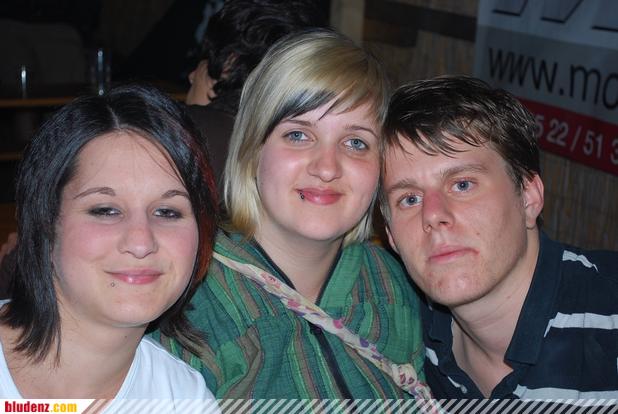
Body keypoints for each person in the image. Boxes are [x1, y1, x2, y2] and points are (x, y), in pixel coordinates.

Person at [158, 29, 428, 400]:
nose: (327, 167)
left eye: (356, 142)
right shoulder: (186, 299)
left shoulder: (395, 284)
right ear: (252, 149)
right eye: (298, 135)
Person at [380, 75, 618, 400]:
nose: (433, 215)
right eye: (409, 199)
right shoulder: (401, 338)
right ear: (391, 235)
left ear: (528, 197)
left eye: (462, 184)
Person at [0, 84, 219, 406]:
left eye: (167, 212)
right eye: (106, 210)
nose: (141, 242)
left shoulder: (185, 401)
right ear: (46, 223)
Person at [184, 0, 329, 185]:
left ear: (229, 64)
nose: (191, 76)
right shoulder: (291, 150)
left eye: (203, 61)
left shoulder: (175, 131)